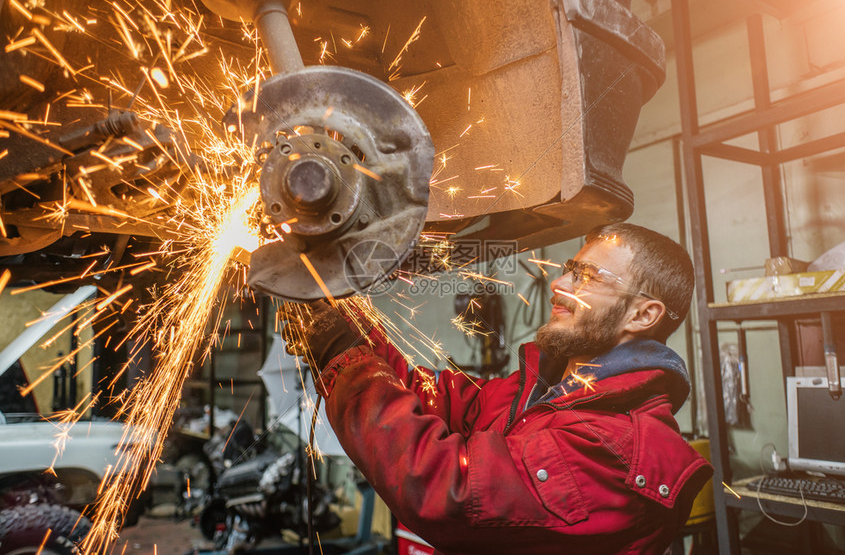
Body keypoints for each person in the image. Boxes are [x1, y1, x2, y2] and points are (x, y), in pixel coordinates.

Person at [287, 222, 713, 555]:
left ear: (643, 315)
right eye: (569, 269)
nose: (559, 285)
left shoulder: (619, 447)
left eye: (588, 277)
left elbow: (446, 490)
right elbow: (437, 400)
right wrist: (347, 327)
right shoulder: (544, 396)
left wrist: (343, 355)